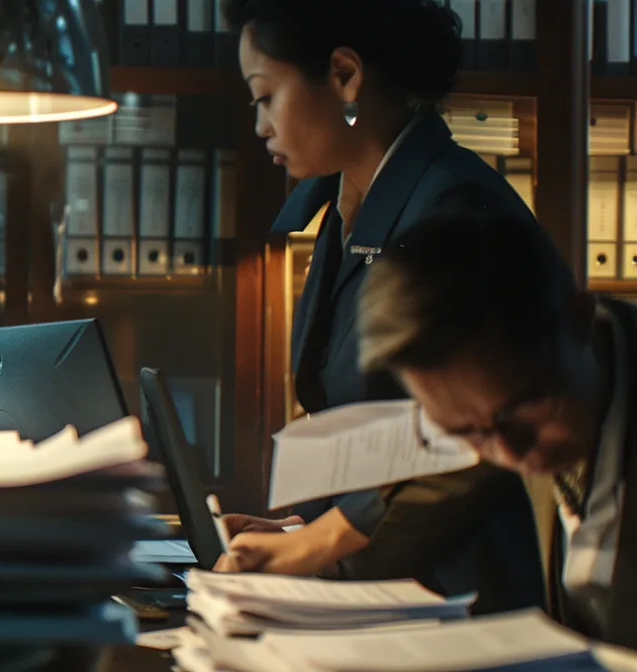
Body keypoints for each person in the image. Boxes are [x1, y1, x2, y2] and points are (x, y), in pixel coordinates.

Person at [212, 0, 545, 614]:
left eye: (264, 96)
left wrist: (325, 543)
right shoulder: (346, 206)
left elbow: (472, 438)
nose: (260, 124)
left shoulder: (456, 209)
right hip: (379, 586)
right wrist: (296, 535)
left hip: (456, 594)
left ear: (344, 76)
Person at [355, 190, 634, 647]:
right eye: (463, 432)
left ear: (579, 321)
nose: (508, 455)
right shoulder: (533, 406)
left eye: (521, 409)